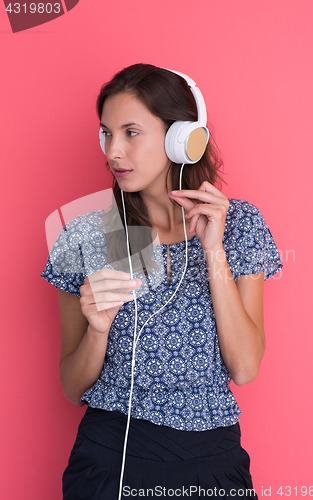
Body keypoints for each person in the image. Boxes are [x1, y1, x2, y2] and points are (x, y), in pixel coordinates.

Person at [41, 63, 283, 500]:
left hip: (211, 460)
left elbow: (245, 368)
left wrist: (213, 251)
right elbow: (71, 387)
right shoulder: (88, 236)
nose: (113, 151)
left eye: (131, 132)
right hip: (108, 460)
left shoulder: (239, 225)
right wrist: (97, 331)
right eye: (106, 133)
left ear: (182, 139)